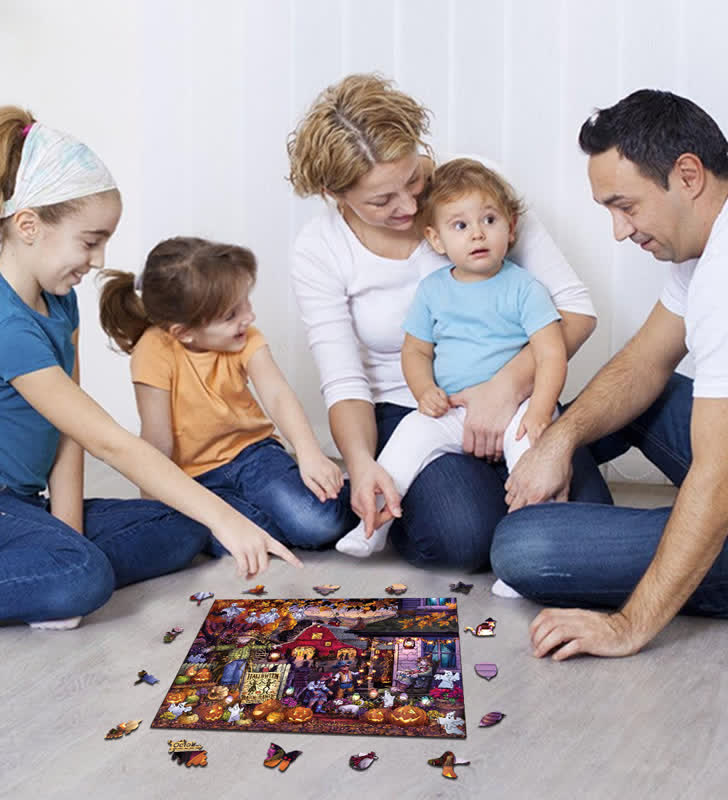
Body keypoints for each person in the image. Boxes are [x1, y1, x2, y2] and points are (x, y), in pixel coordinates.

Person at [0, 106, 301, 633]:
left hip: (20, 502)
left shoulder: (60, 302)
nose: (100, 258)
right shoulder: (2, 327)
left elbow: (71, 436)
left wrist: (69, 532)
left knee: (179, 525)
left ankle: (33, 572)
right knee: (80, 576)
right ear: (29, 225)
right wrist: (228, 519)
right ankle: (30, 574)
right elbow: (111, 441)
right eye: (90, 240)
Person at [287, 73, 611, 570]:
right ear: (335, 193)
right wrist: (361, 464)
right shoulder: (320, 248)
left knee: (587, 519)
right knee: (464, 538)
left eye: (414, 178)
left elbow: (575, 310)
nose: (411, 206)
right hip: (411, 407)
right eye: (382, 201)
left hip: (517, 388)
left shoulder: (475, 194)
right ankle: (426, 501)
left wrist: (505, 389)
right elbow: (345, 381)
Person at [491, 89, 728, 659]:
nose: (621, 232)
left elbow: (719, 479)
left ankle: (669, 548)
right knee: (646, 394)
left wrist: (627, 626)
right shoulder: (703, 249)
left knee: (526, 548)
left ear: (688, 175)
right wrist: (559, 441)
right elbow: (644, 363)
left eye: (627, 206)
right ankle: (550, 482)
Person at [335, 159, 566, 558]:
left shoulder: (524, 288)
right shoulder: (433, 291)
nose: (477, 233)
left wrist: (540, 411)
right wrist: (424, 391)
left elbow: (551, 354)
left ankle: (531, 550)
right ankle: (373, 525)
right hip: (453, 408)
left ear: (511, 228)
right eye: (460, 226)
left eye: (489, 220)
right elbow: (417, 350)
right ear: (436, 239)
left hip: (517, 408)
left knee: (533, 464)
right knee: (408, 439)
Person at [98, 236, 356, 553]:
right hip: (196, 477)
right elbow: (156, 438)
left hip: (254, 454)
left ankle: (354, 491)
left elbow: (277, 394)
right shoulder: (153, 350)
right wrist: (157, 502)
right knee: (225, 541)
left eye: (245, 302)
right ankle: (285, 517)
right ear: (184, 332)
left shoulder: (246, 337)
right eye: (231, 314)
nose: (248, 317)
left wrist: (309, 453)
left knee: (317, 524)